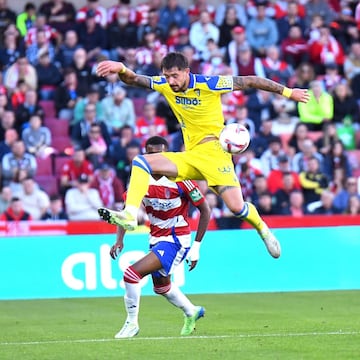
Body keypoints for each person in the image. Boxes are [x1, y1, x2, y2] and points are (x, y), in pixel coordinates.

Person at [96, 51, 310, 259]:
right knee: (140, 162)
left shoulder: (209, 84)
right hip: (190, 156)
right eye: (166, 76)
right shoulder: (164, 85)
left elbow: (250, 81)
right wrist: (121, 68)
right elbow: (133, 79)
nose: (170, 81)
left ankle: (263, 229)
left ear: (187, 72)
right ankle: (130, 214)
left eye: (174, 76)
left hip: (215, 155)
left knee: (237, 208)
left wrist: (289, 93)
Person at [105, 136, 210, 338]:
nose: (156, 158)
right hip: (156, 238)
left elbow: (205, 210)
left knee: (131, 274)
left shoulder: (182, 180)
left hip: (176, 240)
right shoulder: (141, 181)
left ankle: (131, 324)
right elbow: (126, 211)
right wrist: (120, 239)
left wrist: (196, 247)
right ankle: (192, 311)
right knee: (162, 287)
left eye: (160, 154)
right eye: (151, 154)